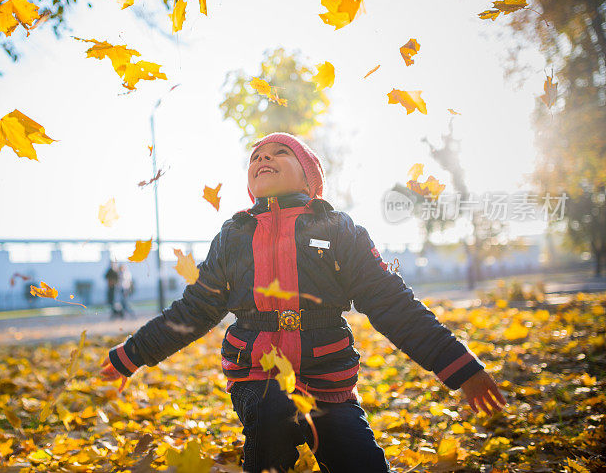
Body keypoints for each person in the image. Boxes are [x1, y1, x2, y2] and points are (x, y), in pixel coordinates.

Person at [98, 132, 507, 472]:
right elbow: (193, 310)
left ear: (309, 177)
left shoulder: (338, 229)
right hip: (255, 375)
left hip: (328, 380)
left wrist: (461, 368)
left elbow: (391, 303)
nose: (264, 157)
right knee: (273, 414)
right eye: (257, 155)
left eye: (280, 152)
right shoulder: (233, 236)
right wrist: (130, 356)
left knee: (361, 461)